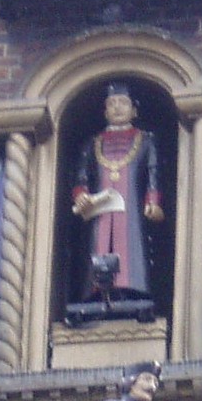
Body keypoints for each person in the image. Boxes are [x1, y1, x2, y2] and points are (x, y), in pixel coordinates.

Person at [71, 83, 164, 300]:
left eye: (123, 102)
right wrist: (81, 195)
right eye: (111, 103)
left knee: (131, 246)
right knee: (98, 243)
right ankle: (95, 291)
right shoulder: (93, 143)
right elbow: (81, 176)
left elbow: (153, 172)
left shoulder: (146, 140)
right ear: (105, 112)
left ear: (134, 111)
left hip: (132, 210)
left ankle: (132, 288)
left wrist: (153, 202)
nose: (117, 107)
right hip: (100, 212)